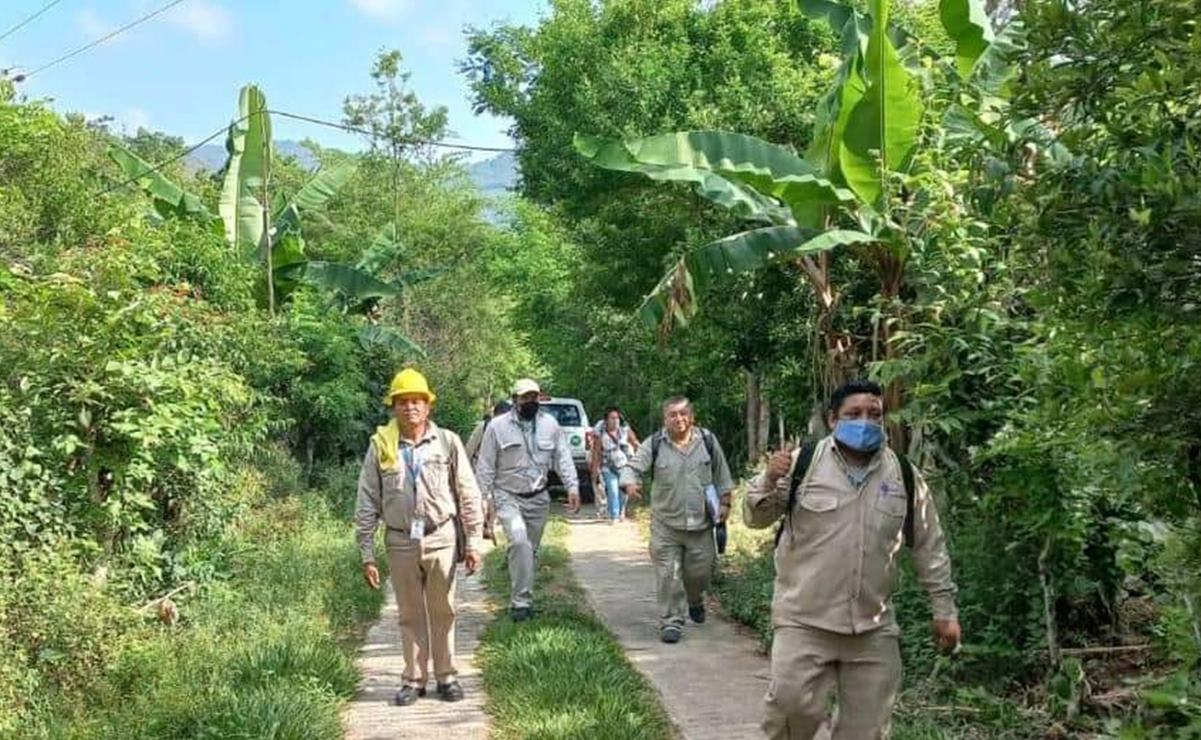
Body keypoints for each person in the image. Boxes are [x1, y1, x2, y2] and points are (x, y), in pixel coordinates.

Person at [744, 379, 961, 739]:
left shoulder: (903, 475)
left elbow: (930, 545)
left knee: (867, 730)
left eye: (874, 414)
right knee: (790, 710)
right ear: (833, 419)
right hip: (804, 621)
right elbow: (755, 519)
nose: (865, 422)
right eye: (854, 414)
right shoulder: (802, 464)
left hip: (873, 628)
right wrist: (769, 479)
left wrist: (945, 611)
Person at [353, 368, 484, 707]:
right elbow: (367, 499)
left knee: (444, 610)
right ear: (393, 406)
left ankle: (447, 676)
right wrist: (366, 553)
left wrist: (473, 542)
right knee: (409, 613)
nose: (410, 407)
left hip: (441, 536)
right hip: (400, 541)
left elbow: (468, 492)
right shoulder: (381, 446)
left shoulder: (447, 442)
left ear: (428, 406)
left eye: (416, 401)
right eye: (403, 401)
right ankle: (413, 679)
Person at [621, 396, 734, 643]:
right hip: (666, 526)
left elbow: (722, 475)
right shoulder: (654, 444)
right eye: (673, 414)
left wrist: (725, 504)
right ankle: (671, 621)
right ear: (665, 419)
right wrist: (629, 483)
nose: (679, 419)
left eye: (683, 414)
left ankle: (695, 599)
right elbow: (632, 467)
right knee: (668, 575)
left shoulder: (707, 441)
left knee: (700, 575)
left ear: (691, 416)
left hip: (701, 526)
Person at [474, 378, 580, 621]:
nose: (530, 401)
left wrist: (572, 487)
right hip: (507, 496)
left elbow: (562, 457)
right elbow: (486, 465)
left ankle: (524, 593)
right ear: (514, 400)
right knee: (520, 541)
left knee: (529, 550)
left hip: (539, 497)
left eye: (534, 397)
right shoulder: (497, 427)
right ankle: (520, 604)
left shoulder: (550, 425)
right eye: (525, 398)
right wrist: (482, 500)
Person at [465, 400, 512, 541]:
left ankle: (489, 526)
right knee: (480, 499)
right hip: (480, 469)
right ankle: (478, 527)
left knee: (496, 501)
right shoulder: (483, 427)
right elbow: (469, 448)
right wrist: (465, 471)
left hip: (500, 471)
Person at [589, 406, 640, 523]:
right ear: (606, 420)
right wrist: (595, 470)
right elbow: (596, 453)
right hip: (608, 467)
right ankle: (614, 515)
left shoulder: (625, 431)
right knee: (613, 490)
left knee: (623, 493)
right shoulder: (601, 435)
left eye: (617, 418)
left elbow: (635, 442)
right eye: (612, 418)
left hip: (624, 466)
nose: (615, 420)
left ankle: (621, 511)